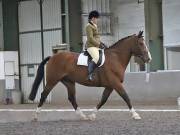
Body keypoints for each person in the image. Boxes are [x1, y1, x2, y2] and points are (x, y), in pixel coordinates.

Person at [86, 10, 106, 81]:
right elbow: (90, 38)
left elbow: (96, 37)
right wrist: (99, 44)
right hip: (91, 46)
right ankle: (89, 74)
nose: (97, 20)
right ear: (93, 18)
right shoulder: (88, 26)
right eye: (97, 19)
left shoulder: (95, 26)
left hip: (96, 46)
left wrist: (102, 43)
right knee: (96, 57)